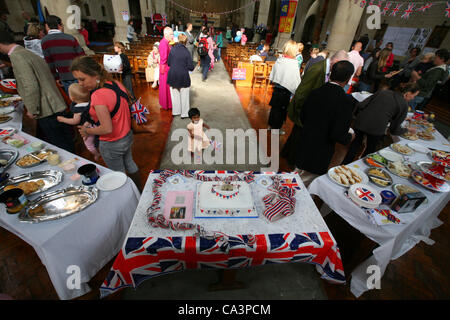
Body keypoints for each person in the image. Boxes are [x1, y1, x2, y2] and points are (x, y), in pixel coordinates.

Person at [70, 56, 142, 191]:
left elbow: (107, 128)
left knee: (118, 174)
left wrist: (87, 131)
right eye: (77, 80)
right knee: (130, 164)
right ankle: (139, 189)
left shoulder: (98, 95)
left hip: (112, 143)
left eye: (82, 79)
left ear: (94, 75)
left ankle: (129, 198)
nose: (79, 83)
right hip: (126, 135)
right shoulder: (115, 83)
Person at [0, 32, 75, 153]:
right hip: (54, 103)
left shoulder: (17, 56)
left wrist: (32, 108)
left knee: (60, 144)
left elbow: (30, 85)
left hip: (47, 107)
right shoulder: (24, 52)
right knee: (64, 141)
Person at [282, 50, 350, 166]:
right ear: (336, 62)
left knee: (298, 138)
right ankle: (291, 161)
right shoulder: (318, 69)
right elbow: (302, 93)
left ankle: (289, 156)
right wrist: (301, 114)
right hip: (304, 109)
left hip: (310, 110)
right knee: (298, 137)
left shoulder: (326, 68)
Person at [295, 61, 356, 186]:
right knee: (306, 184)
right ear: (348, 78)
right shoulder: (344, 101)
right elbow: (337, 134)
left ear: (331, 73)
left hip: (304, 142)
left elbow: (303, 116)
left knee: (296, 176)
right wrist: (349, 137)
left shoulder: (315, 92)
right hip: (320, 151)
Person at [343, 83, 420, 164]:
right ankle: (361, 170)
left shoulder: (384, 92)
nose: (413, 98)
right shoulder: (404, 105)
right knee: (369, 152)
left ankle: (344, 165)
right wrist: (407, 129)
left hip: (361, 121)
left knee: (354, 147)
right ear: (408, 93)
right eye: (414, 95)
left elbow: (361, 104)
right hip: (376, 128)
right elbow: (394, 131)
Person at [56, 83, 101, 161]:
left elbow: (75, 121)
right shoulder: (91, 102)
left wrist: (63, 119)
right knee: (100, 139)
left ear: (72, 98)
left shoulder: (77, 109)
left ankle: (96, 154)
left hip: (87, 130)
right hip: (96, 125)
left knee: (89, 145)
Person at [41, 15, 85, 94]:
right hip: (78, 74)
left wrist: (56, 77)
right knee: (84, 97)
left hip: (63, 76)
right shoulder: (70, 38)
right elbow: (82, 57)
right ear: (59, 25)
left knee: (73, 98)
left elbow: (49, 62)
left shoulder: (45, 41)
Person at [268, 40, 301, 134]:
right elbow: (295, 79)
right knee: (281, 110)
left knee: (274, 108)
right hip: (285, 91)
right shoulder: (293, 63)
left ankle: (270, 126)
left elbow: (275, 73)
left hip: (277, 88)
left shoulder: (280, 59)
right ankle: (277, 129)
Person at [167, 33, 195, 118]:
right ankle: (184, 113)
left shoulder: (172, 49)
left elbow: (169, 63)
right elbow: (191, 67)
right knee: (184, 96)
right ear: (186, 41)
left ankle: (176, 111)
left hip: (173, 75)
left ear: (178, 40)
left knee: (175, 95)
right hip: (183, 76)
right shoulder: (186, 52)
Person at [159, 27, 174, 110]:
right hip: (165, 68)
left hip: (166, 67)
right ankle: (167, 104)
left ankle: (168, 103)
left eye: (172, 34)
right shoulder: (164, 43)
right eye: (171, 34)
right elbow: (164, 58)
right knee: (166, 87)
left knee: (168, 87)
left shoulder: (167, 42)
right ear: (166, 34)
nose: (172, 36)